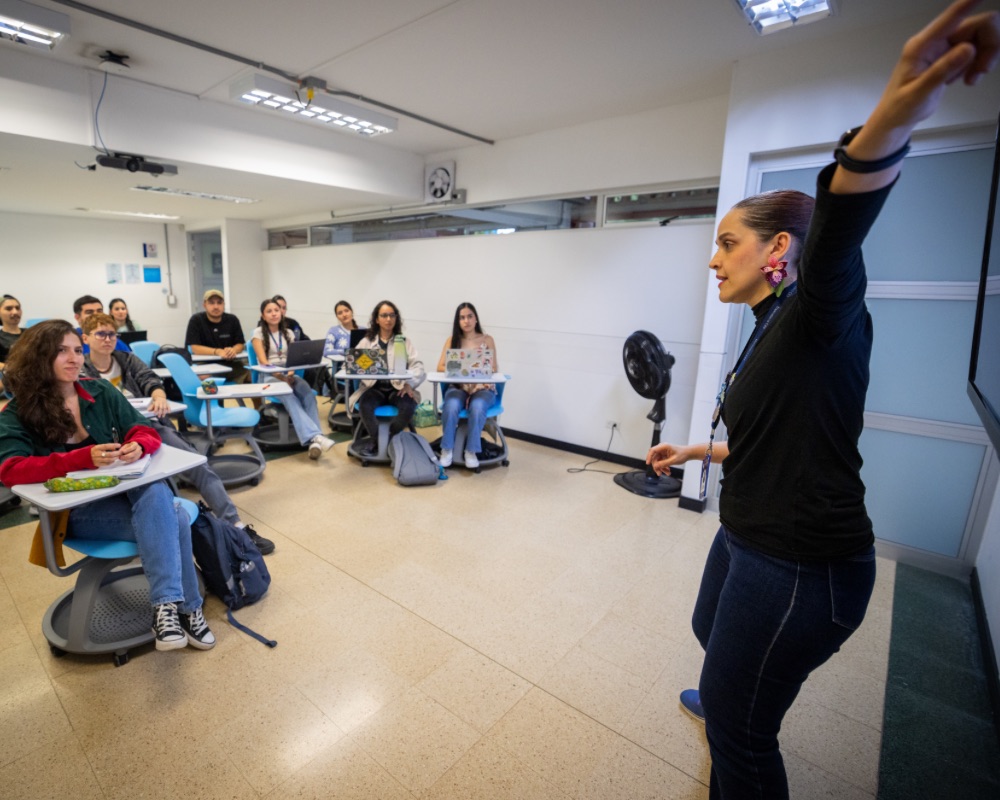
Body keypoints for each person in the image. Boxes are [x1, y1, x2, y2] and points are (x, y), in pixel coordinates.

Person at [645, 4, 1000, 797]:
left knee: (743, 734)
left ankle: (741, 712)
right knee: (711, 633)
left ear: (779, 251)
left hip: (805, 565)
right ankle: (738, 686)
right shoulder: (768, 324)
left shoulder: (820, 311)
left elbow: (838, 222)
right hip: (747, 535)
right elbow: (779, 436)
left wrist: (900, 107)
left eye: (727, 243)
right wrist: (699, 452)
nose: (712, 260)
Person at [0, 319, 216, 651]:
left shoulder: (98, 390)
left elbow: (143, 428)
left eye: (76, 350)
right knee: (175, 517)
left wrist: (139, 445)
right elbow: (10, 469)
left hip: (126, 496)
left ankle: (166, 611)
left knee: (157, 491)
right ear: (38, 357)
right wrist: (80, 458)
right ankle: (186, 609)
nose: (73, 359)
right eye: (61, 352)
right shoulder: (17, 411)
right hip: (75, 513)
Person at [80, 313, 275, 555]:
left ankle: (235, 525)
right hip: (111, 440)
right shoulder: (81, 370)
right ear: (86, 338)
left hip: (149, 428)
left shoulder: (126, 359)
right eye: (101, 334)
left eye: (112, 334)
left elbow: (149, 379)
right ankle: (167, 540)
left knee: (199, 464)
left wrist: (159, 396)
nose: (108, 339)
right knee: (150, 489)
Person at [251, 297, 334, 460]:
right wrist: (281, 377)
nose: (274, 314)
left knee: (308, 394)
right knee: (288, 394)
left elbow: (294, 358)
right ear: (263, 315)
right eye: (269, 311)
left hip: (288, 373)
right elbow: (263, 361)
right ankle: (316, 435)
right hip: (269, 376)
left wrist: (289, 374)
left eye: (277, 310)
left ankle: (314, 442)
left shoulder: (288, 333)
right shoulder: (258, 333)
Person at [348, 300, 425, 457]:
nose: (388, 319)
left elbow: (419, 367)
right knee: (365, 405)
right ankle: (383, 443)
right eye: (384, 315)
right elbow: (352, 364)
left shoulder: (403, 342)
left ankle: (382, 441)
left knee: (409, 405)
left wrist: (409, 385)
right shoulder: (366, 342)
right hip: (373, 388)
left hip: (397, 388)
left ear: (396, 319)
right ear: (377, 319)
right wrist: (360, 367)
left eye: (392, 315)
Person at [434, 302, 499, 469]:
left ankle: (471, 451)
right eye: (462, 317)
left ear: (475, 318)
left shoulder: (487, 339)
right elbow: (440, 367)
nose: (466, 321)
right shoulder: (452, 341)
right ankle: (447, 449)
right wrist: (466, 367)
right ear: (458, 321)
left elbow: (493, 368)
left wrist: (469, 368)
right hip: (458, 386)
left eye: (470, 316)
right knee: (452, 405)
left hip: (482, 387)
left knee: (477, 407)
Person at [184, 289, 248, 383]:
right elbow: (195, 348)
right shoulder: (196, 320)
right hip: (205, 364)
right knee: (202, 376)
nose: (216, 306)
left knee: (252, 375)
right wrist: (217, 351)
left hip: (230, 363)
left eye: (219, 303)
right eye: (211, 303)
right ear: (204, 305)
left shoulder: (232, 320)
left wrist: (233, 350)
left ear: (224, 304)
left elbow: (240, 344)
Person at [0, 294, 24, 392]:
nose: (15, 312)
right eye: (9, 309)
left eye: (17, 308)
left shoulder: (32, 333)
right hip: (8, 379)